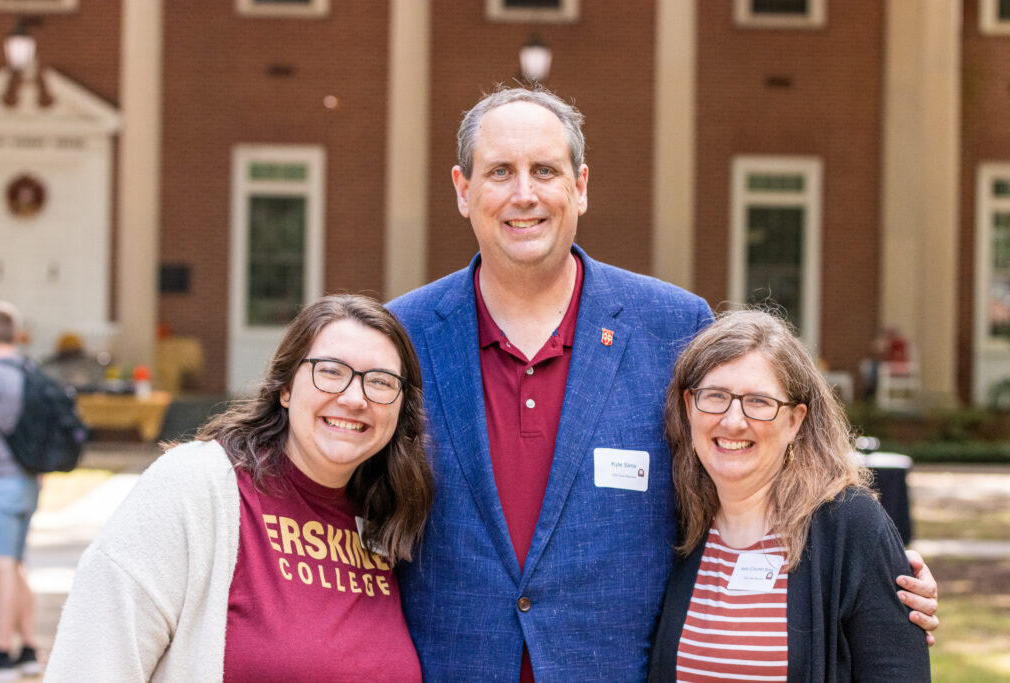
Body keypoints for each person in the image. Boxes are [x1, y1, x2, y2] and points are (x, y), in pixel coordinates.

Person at [388, 86, 939, 681]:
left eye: (545, 170)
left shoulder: (672, 326)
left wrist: (874, 583)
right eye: (500, 171)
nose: (525, 193)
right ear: (463, 190)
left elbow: (754, 472)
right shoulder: (402, 337)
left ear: (581, 186)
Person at [46, 294, 433, 681]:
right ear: (285, 388)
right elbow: (90, 664)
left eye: (380, 382)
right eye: (330, 371)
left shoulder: (387, 514)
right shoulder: (194, 487)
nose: (354, 398)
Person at [649, 310, 930, 681]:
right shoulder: (674, 524)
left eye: (759, 402)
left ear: (795, 420)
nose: (733, 420)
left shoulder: (852, 528)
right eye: (715, 396)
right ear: (689, 406)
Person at [0, 301, 43, 679]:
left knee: (2, 566)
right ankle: (28, 648)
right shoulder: (32, 373)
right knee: (16, 564)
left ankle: (2, 651)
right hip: (29, 482)